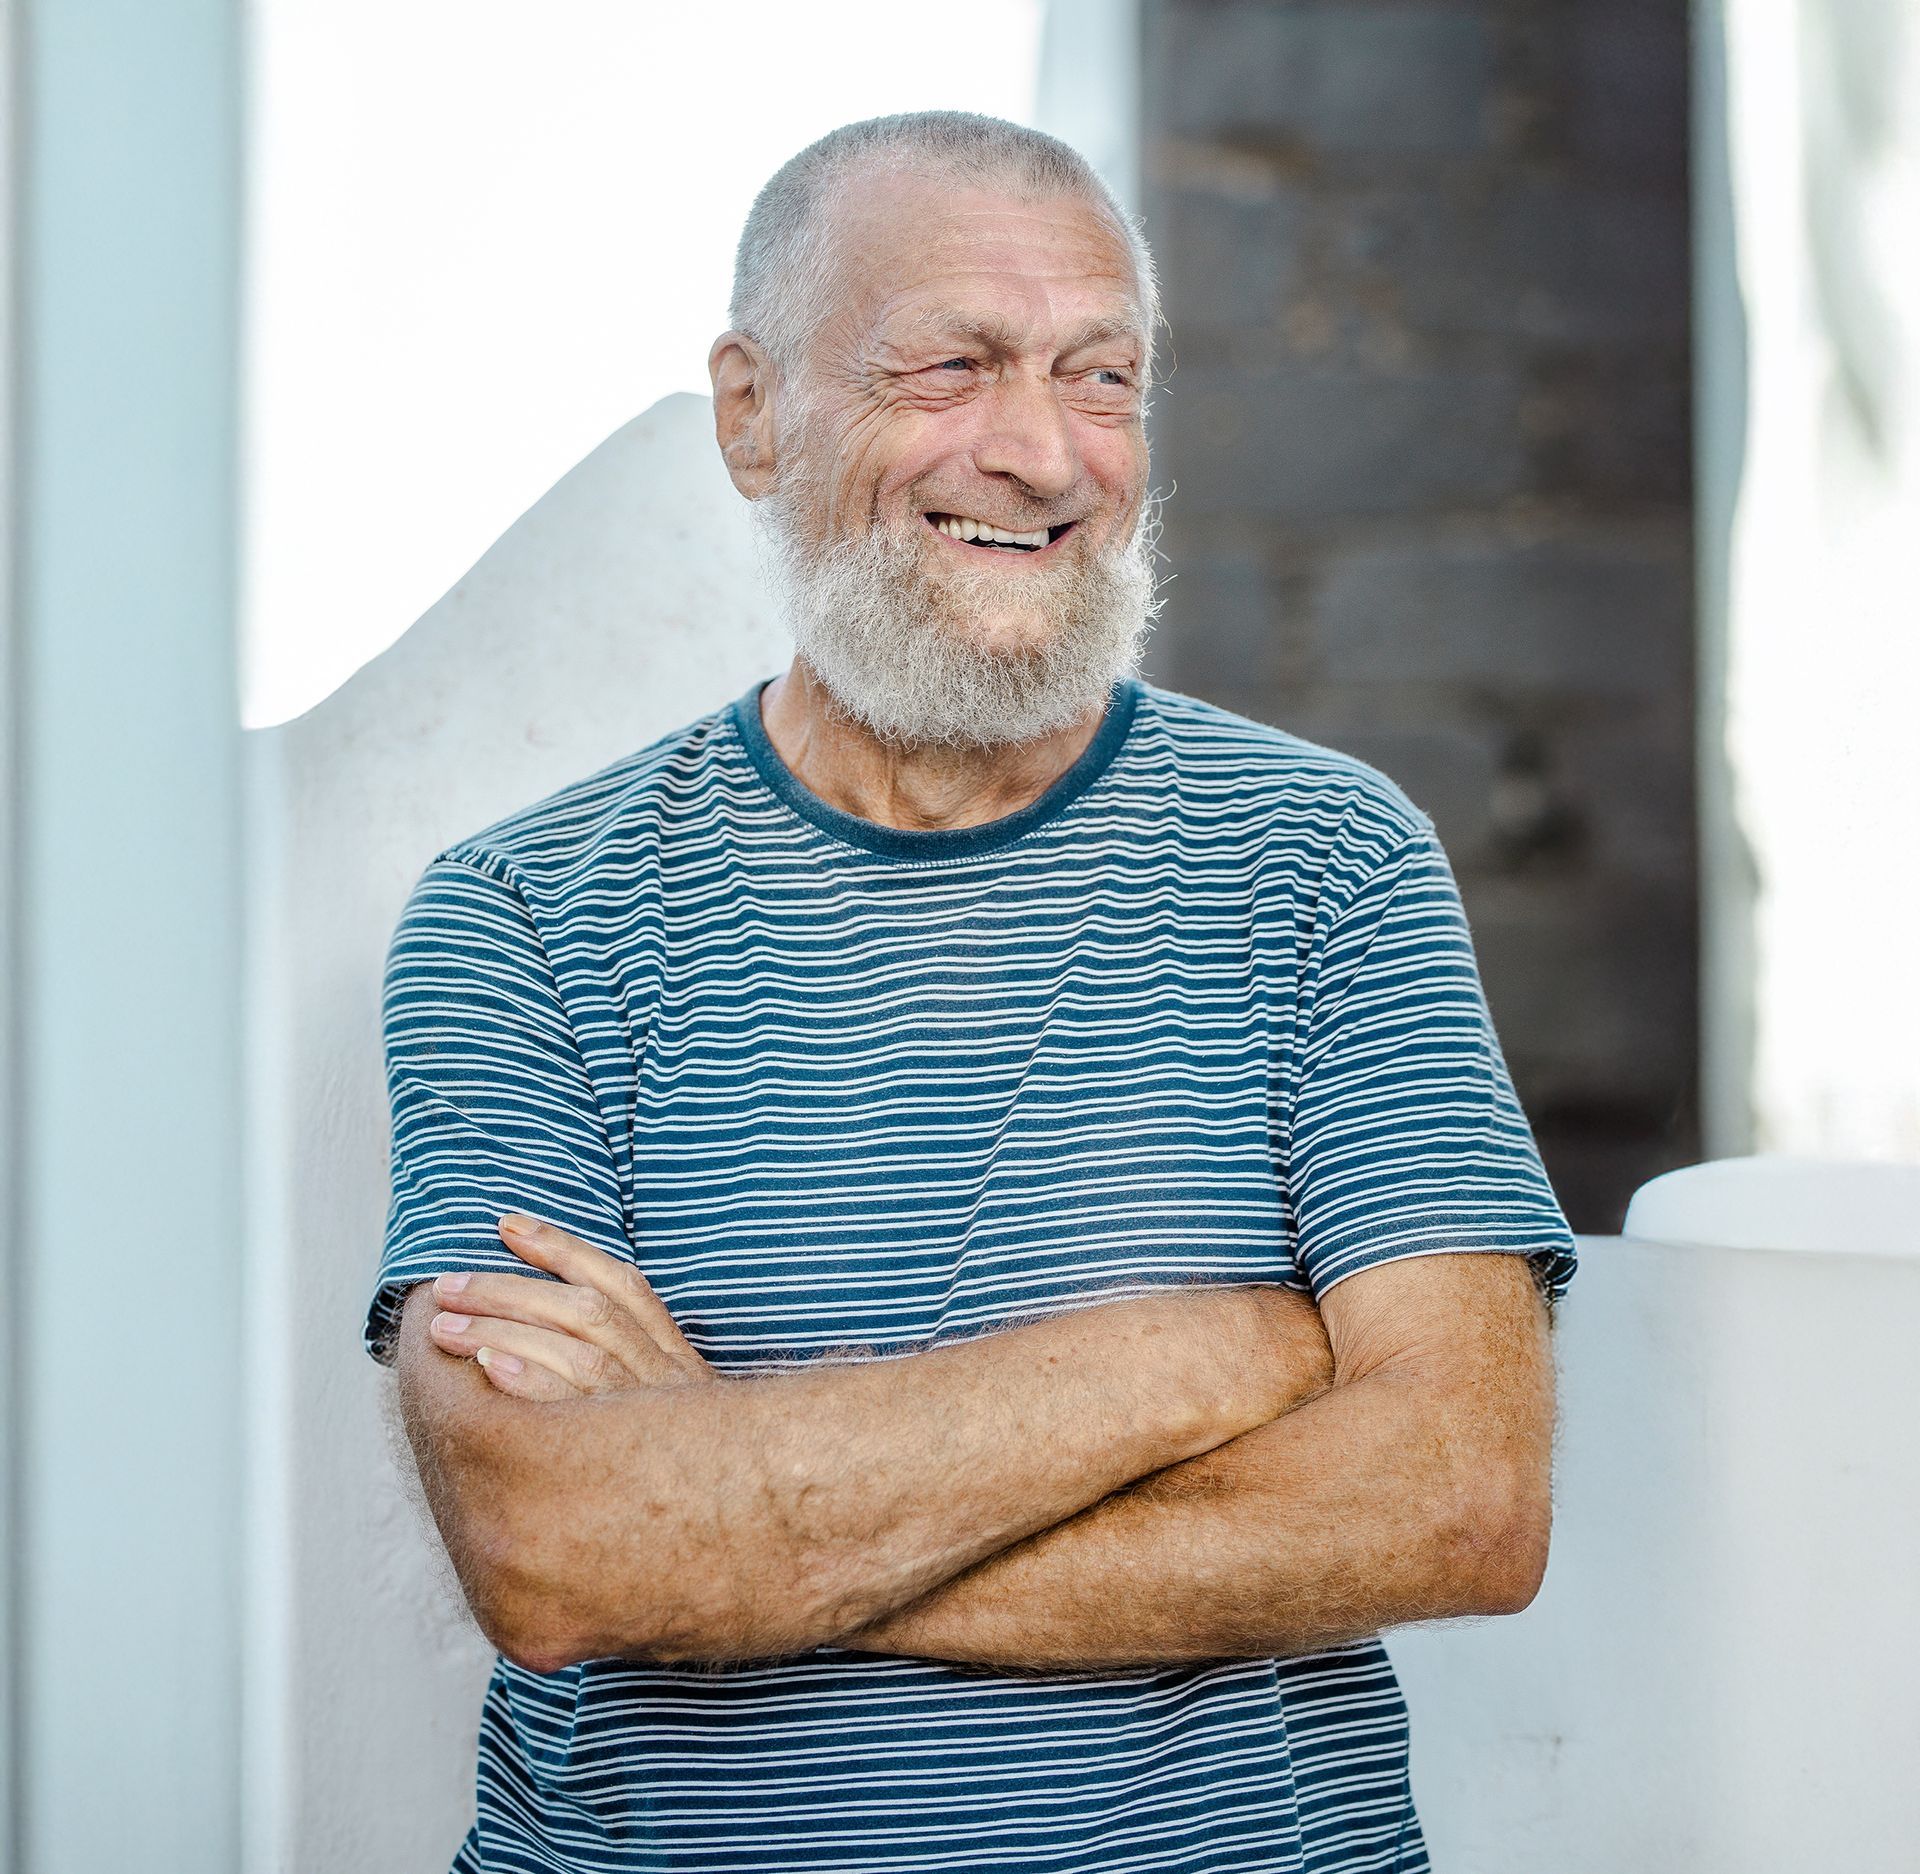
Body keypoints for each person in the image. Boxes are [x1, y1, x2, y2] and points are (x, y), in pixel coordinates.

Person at [366, 109, 1578, 1874]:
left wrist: (733, 1520)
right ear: (752, 412)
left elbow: (1464, 1497)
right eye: (948, 368)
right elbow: (557, 1554)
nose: (1043, 455)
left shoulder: (1326, 860)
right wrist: (1205, 1354)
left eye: (1104, 379)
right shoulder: (523, 914)